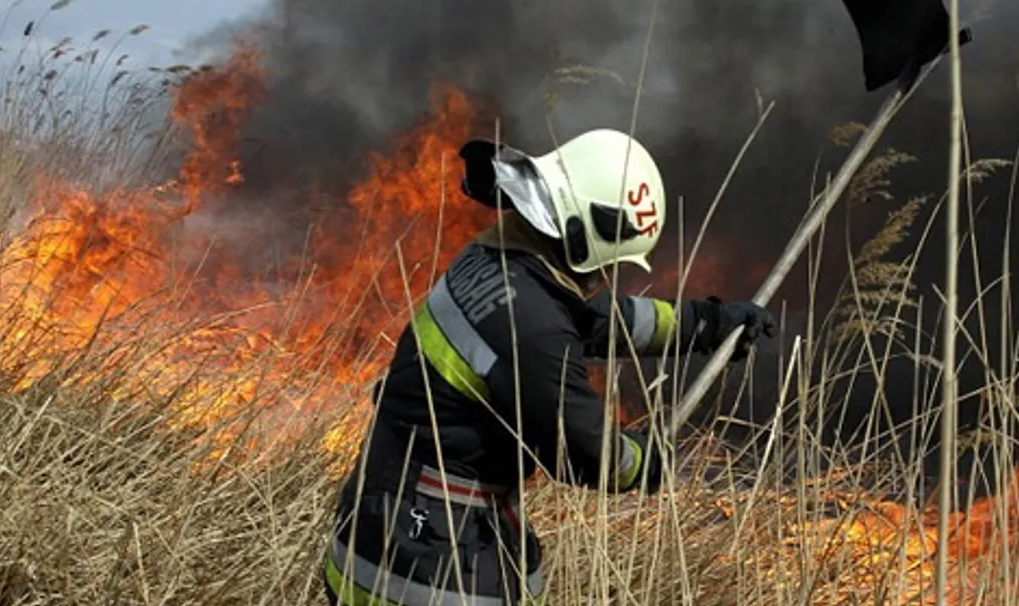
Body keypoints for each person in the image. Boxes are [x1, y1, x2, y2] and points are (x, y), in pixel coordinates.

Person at [321, 128, 777, 606]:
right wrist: (648, 460)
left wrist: (706, 323)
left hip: (383, 531)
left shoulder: (496, 263)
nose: (606, 275)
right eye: (611, 261)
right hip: (429, 574)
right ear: (584, 237)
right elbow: (586, 452)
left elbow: (592, 320)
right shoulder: (531, 326)